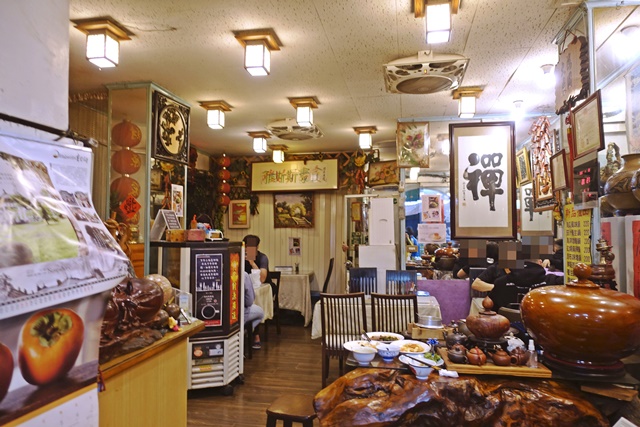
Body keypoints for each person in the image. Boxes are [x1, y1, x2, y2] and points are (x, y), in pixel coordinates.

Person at [473, 258, 564, 311]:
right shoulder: (551, 281)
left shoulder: (501, 282)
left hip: (508, 328)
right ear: (540, 263)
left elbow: (489, 306)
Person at [243, 234, 269, 349]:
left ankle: (255, 334)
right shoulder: (238, 256)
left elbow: (262, 278)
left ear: (257, 248)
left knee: (256, 301)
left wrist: (252, 263)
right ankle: (244, 332)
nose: (248, 250)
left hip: (264, 288)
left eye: (251, 248)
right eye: (246, 247)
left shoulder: (262, 257)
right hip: (246, 288)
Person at [243, 271, 264, 350]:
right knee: (261, 313)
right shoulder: (243, 274)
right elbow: (249, 301)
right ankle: (244, 332)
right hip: (238, 313)